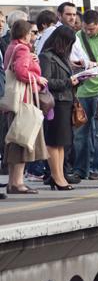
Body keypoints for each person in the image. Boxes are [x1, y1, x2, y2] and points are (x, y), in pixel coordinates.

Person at [3, 19, 48, 195]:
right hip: (23, 100)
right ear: (25, 33)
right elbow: (21, 72)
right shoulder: (22, 48)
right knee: (22, 140)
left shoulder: (11, 46)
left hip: (14, 101)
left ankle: (13, 182)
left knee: (15, 140)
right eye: (32, 33)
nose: (34, 36)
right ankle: (17, 182)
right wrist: (38, 78)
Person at [39, 26, 80, 191]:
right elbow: (45, 81)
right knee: (54, 141)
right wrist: (68, 82)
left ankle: (60, 175)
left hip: (65, 101)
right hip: (55, 103)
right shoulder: (46, 57)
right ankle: (56, 176)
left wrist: (78, 79)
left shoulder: (61, 57)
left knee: (62, 143)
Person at [74, 10, 98, 180]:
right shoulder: (77, 36)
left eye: (92, 29)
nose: (89, 32)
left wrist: (95, 65)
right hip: (82, 90)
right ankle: (80, 169)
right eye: (86, 29)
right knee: (80, 134)